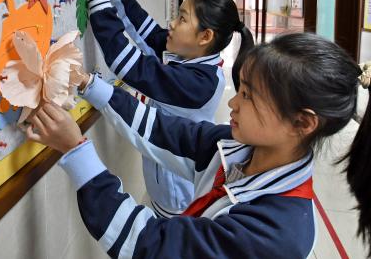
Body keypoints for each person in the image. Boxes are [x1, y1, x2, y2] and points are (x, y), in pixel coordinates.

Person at [25, 33, 370, 258]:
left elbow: (151, 246)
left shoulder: (277, 233)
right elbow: (158, 129)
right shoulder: (235, 147)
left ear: (302, 123)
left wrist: (76, 150)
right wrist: (89, 84)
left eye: (248, 96)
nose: (233, 104)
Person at [83, 0, 253, 216]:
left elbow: (127, 63)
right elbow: (147, 30)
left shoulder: (198, 83)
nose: (172, 24)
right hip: (165, 179)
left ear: (205, 36)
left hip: (177, 195)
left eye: (182, 19)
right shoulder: (195, 56)